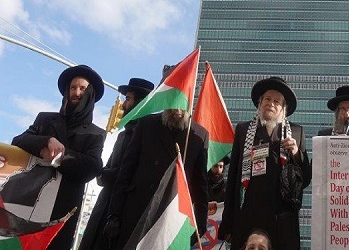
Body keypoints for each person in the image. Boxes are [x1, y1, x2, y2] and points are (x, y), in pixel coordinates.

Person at [11, 64, 106, 250]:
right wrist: (46, 142)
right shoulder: (45, 119)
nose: (76, 93)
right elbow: (19, 140)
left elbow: (91, 167)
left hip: (61, 215)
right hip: (29, 205)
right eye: (73, 87)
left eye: (82, 88)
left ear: (90, 94)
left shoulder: (96, 134)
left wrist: (57, 156)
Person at [218, 76, 311, 250]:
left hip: (282, 218)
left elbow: (305, 179)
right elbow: (233, 180)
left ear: (283, 109)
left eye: (277, 101)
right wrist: (228, 223)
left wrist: (296, 153)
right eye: (267, 99)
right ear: (260, 103)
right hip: (248, 214)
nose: (271, 104)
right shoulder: (243, 130)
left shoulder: (296, 132)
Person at [104, 106, 209, 249]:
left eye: (182, 107)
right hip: (136, 211)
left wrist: (200, 223)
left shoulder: (200, 135)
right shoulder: (147, 124)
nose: (178, 111)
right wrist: (114, 214)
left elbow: (200, 185)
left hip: (170, 218)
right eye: (174, 106)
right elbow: (126, 172)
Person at [79, 77, 154, 250]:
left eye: (128, 99)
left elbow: (132, 174)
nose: (123, 105)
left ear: (140, 103)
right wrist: (105, 174)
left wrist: (106, 174)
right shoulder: (122, 135)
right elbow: (106, 173)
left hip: (123, 216)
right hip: (103, 209)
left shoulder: (150, 137)